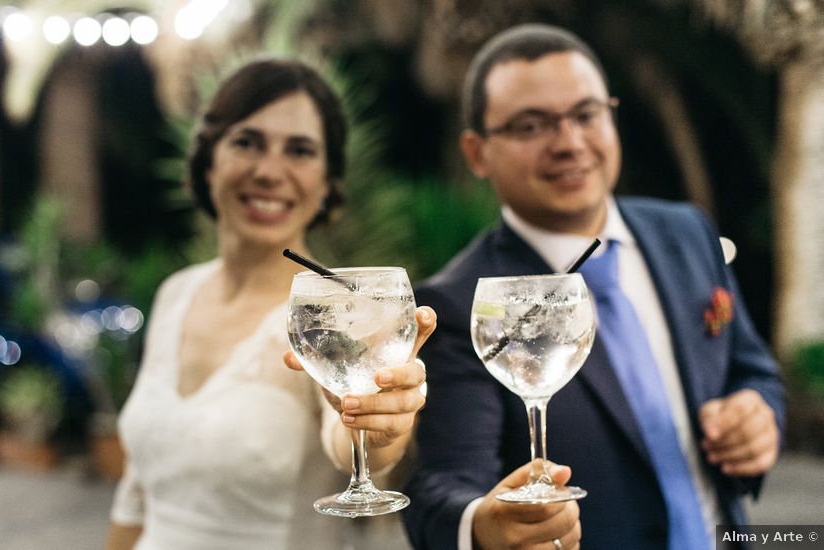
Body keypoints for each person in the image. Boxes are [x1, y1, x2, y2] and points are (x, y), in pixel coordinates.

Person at [403, 24, 785, 550]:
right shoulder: (461, 303)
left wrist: (757, 413)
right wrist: (485, 526)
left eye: (586, 114)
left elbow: (752, 368)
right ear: (477, 153)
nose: (570, 142)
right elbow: (440, 486)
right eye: (531, 125)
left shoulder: (688, 234)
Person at [104, 58, 435, 550]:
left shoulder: (340, 312)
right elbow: (138, 493)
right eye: (247, 142)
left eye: (300, 151)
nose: (270, 171)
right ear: (208, 160)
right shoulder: (176, 292)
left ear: (327, 183)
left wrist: (383, 428)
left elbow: (347, 443)